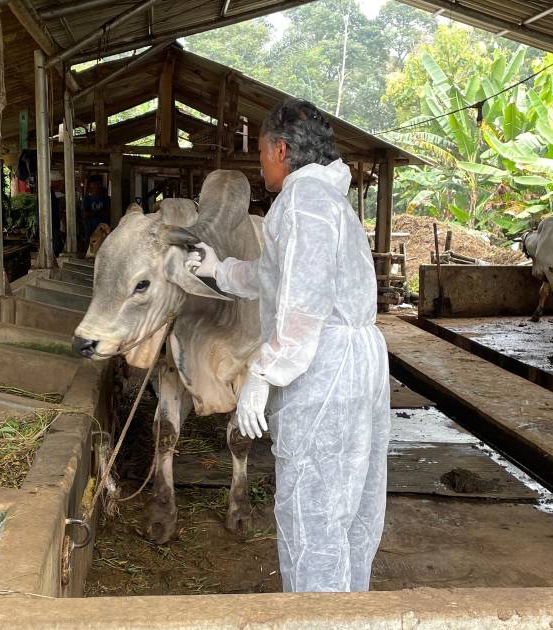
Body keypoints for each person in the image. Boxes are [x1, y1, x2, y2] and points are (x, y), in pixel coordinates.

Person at [187, 98, 389, 593]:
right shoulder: (324, 200)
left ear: (282, 148)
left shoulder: (303, 201)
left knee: (313, 508)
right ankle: (347, 612)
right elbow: (274, 276)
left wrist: (262, 374)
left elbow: (303, 302)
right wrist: (218, 270)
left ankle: (319, 616)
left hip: (325, 371)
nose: (260, 164)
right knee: (349, 507)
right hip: (354, 363)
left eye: (261, 152)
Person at [81, 175, 112, 243]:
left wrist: (92, 213)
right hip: (90, 230)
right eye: (94, 184)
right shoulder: (87, 199)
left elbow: (108, 213)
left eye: (98, 184)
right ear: (90, 185)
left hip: (103, 231)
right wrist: (99, 213)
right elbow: (84, 215)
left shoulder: (106, 199)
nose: (97, 186)